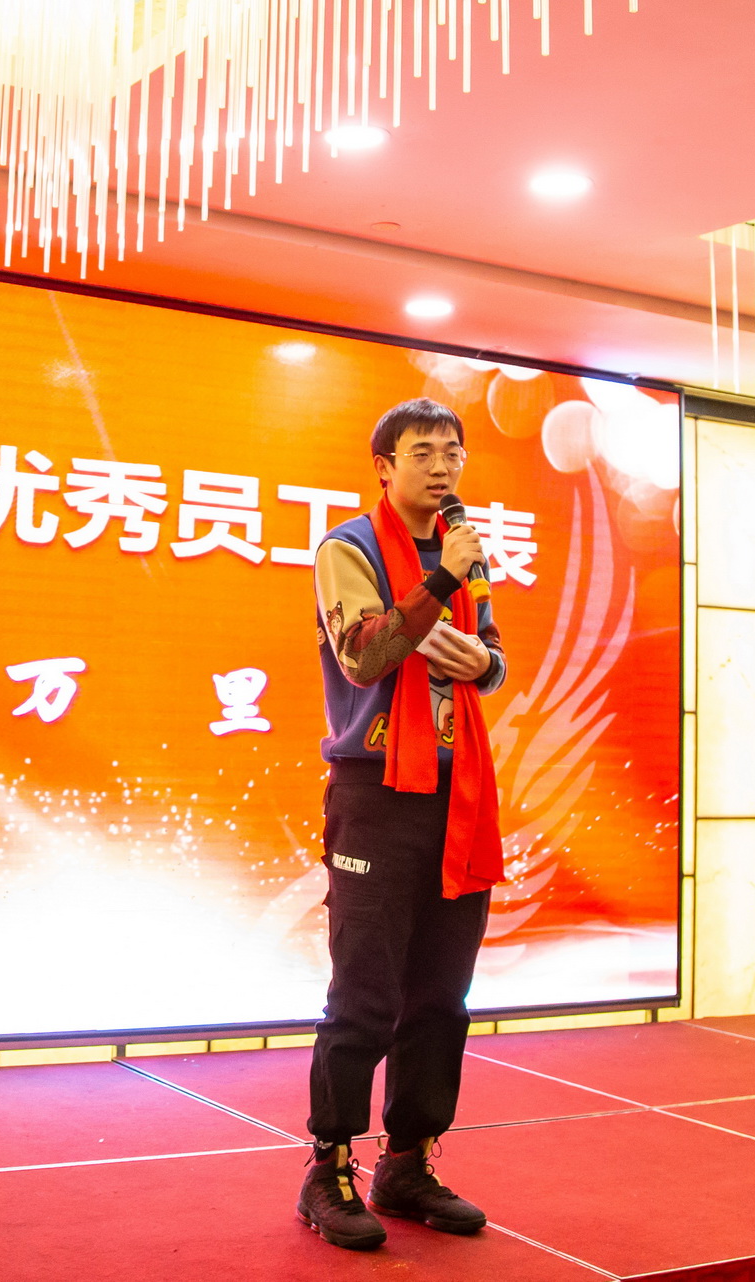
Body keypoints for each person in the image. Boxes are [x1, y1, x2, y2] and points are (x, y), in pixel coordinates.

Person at [296, 397, 508, 1250]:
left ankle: (407, 1163)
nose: (443, 466)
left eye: (453, 451)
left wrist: (484, 663)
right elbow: (366, 653)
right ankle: (327, 1170)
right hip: (377, 793)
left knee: (441, 997)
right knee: (365, 995)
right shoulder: (347, 548)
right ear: (384, 467)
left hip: (460, 794)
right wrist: (442, 581)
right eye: (423, 452)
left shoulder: (464, 551)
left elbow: (490, 653)